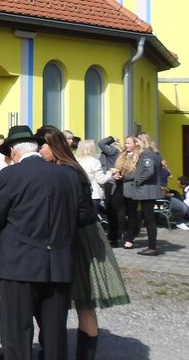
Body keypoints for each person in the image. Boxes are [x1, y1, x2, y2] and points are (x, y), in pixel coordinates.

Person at [0, 125, 96, 360]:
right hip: (59, 263)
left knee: (17, 334)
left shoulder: (10, 175)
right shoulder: (69, 175)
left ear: (13, 151)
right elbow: (85, 215)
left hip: (19, 263)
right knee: (55, 334)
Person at [37, 126, 129, 360]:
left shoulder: (70, 170)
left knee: (84, 301)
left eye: (42, 146)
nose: (39, 150)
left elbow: (83, 211)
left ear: (53, 146)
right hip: (66, 235)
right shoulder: (60, 168)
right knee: (57, 301)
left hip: (80, 237)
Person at [118, 135, 162, 255]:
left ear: (142, 141)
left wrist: (138, 180)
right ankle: (151, 245)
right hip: (151, 189)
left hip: (146, 191)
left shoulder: (146, 154)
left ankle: (152, 247)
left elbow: (149, 171)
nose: (136, 144)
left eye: (137, 141)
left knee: (149, 219)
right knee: (149, 219)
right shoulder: (156, 153)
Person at [96, 136, 125, 247]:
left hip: (111, 182)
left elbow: (101, 143)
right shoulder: (120, 153)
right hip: (116, 182)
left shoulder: (113, 151)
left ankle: (114, 237)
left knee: (112, 210)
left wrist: (112, 138)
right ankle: (120, 234)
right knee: (120, 210)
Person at [75, 139, 111, 215]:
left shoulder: (75, 161)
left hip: (79, 194)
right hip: (94, 194)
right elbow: (101, 180)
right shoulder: (94, 162)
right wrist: (110, 173)